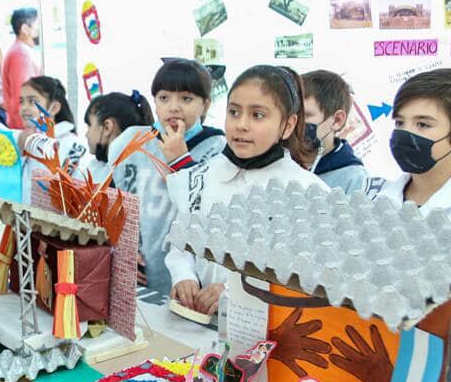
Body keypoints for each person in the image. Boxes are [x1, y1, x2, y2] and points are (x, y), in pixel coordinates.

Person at [166, 65, 325, 315]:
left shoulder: (306, 193)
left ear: (288, 124)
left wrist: (233, 293)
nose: (241, 125)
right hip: (197, 327)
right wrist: (183, 276)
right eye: (234, 112)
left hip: (265, 337)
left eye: (257, 115)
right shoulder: (201, 178)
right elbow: (182, 240)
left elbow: (305, 277)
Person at [364, 68, 451, 382]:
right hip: (368, 360)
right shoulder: (374, 197)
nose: (405, 134)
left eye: (423, 125)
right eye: (400, 123)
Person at [84, 90, 179, 294]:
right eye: (164, 98)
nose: (85, 133)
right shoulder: (103, 167)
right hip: (130, 276)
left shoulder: (123, 168)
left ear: (107, 127)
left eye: (89, 125)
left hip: (163, 281)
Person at [19, 76, 89, 201]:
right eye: (21, 101)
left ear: (55, 108)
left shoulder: (72, 144)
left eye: (32, 101)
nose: (24, 107)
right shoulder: (27, 141)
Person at [152, 59, 226, 172]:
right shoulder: (132, 140)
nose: (173, 108)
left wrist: (181, 160)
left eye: (186, 99)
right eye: (164, 98)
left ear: (205, 106)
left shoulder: (219, 147)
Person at [302, 70, 368, 193]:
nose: (295, 122)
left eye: (305, 115)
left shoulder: (355, 179)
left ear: (337, 120)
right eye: (291, 115)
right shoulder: (280, 162)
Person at [1, 8, 41, 130]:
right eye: (37, 25)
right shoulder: (20, 55)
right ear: (25, 29)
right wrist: (28, 132)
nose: (40, 30)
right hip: (24, 130)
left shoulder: (20, 51)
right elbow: (20, 98)